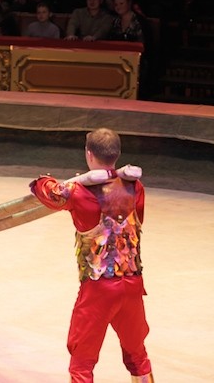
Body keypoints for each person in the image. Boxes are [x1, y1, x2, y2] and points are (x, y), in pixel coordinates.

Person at [29, 128, 153, 383]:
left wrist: (53, 180)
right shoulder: (136, 187)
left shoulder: (80, 192)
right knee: (138, 355)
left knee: (82, 363)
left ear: (89, 154)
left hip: (99, 290)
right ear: (116, 154)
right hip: (132, 285)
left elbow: (46, 190)